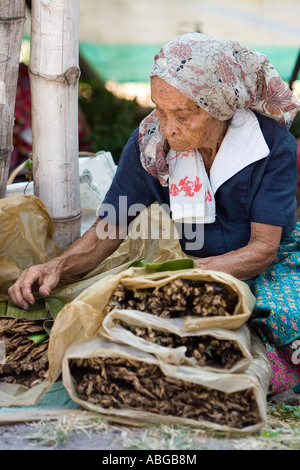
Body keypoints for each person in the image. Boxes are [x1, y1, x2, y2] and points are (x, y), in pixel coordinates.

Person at [8, 32, 300, 396]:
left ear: (221, 108)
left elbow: (263, 249)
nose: (167, 127)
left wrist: (179, 278)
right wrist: (56, 267)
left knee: (284, 312)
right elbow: (109, 228)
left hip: (263, 266)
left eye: (182, 114)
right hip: (185, 268)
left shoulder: (270, 147)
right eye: (159, 110)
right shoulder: (151, 144)